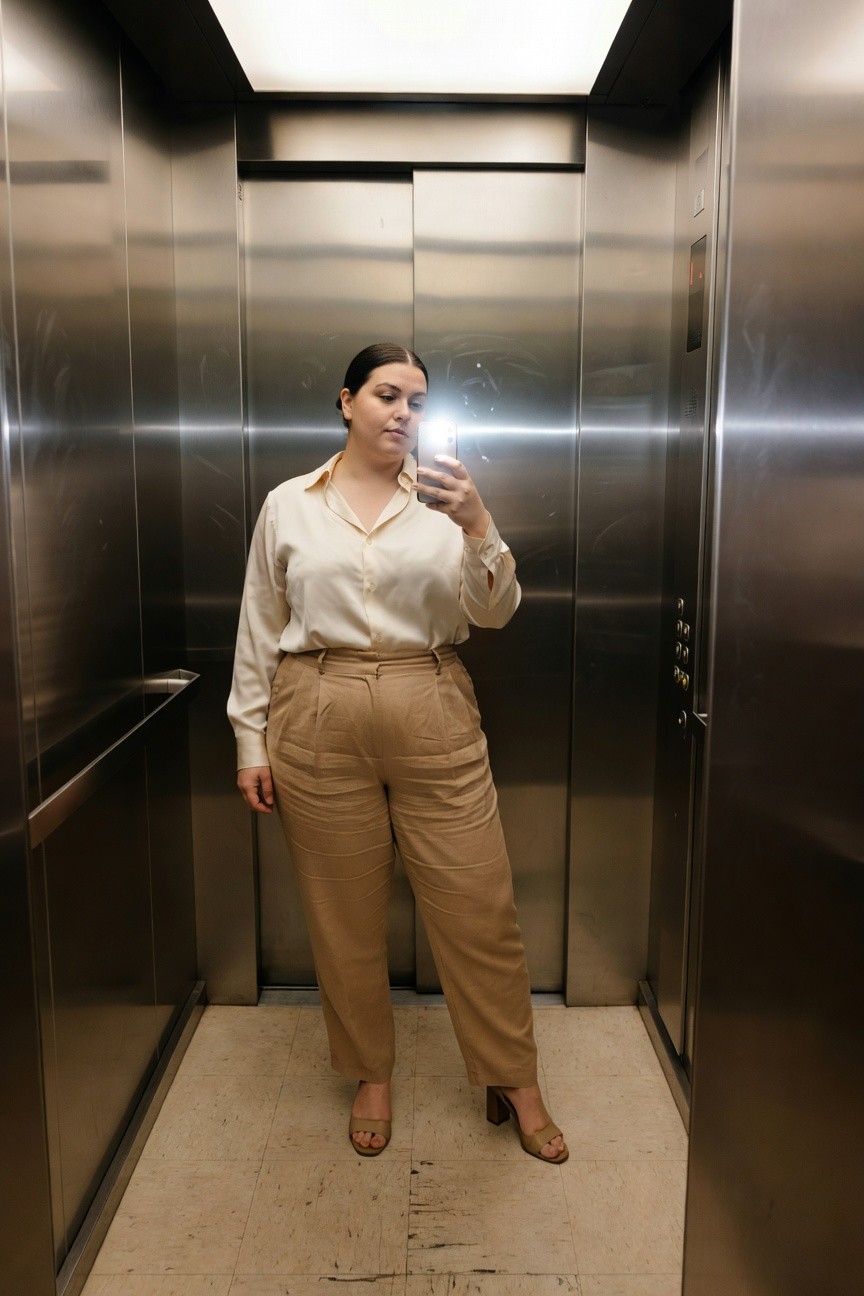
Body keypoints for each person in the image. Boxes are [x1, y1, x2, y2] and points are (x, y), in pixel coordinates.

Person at [227, 342, 567, 1163]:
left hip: (431, 700)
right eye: (387, 395)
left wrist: (480, 527)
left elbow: (494, 614)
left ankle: (513, 1076)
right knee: (340, 913)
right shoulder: (289, 504)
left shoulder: (446, 505)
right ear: (348, 402)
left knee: (479, 903)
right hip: (316, 707)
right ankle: (370, 1072)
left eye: (416, 401)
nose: (402, 414)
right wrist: (250, 738)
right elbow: (260, 624)